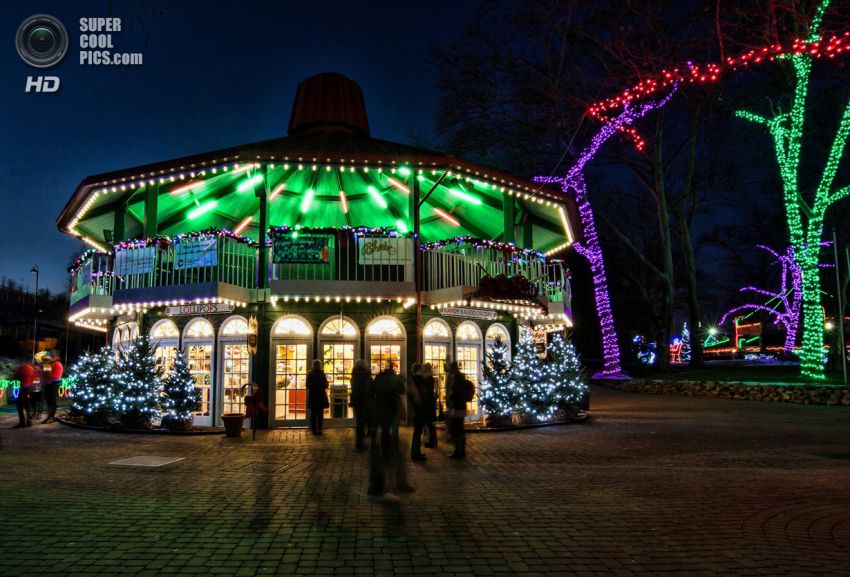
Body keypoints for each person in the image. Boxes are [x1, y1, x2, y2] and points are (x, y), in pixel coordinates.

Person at [368, 362, 410, 502]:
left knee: (384, 429)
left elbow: (373, 395)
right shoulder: (394, 382)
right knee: (392, 429)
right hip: (391, 411)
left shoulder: (378, 381)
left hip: (381, 410)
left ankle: (384, 444)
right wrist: (402, 410)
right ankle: (391, 445)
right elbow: (397, 397)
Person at [446, 361, 474, 458]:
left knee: (456, 429)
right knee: (460, 429)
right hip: (462, 407)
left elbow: (454, 394)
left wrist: (449, 397)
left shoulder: (456, 381)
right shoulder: (463, 380)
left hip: (457, 407)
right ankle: (462, 450)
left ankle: (458, 450)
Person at [349, 359, 371, 452]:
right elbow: (368, 389)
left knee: (360, 422)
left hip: (357, 401)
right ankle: (361, 443)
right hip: (364, 401)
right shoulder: (365, 376)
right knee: (363, 422)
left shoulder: (354, 375)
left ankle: (359, 443)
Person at [306, 360, 329, 435]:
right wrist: (322, 385)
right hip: (320, 395)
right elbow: (326, 385)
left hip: (313, 395)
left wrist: (314, 386)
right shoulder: (322, 374)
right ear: (320, 365)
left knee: (313, 413)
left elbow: (308, 385)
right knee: (320, 413)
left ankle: (314, 429)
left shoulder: (309, 374)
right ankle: (319, 429)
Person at [12, 359, 36, 428]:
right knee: (28, 404)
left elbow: (16, 378)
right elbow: (34, 378)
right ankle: (29, 421)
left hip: (23, 387)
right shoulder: (32, 369)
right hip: (31, 388)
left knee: (19, 404)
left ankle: (22, 422)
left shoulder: (21, 368)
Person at [40, 352, 63, 424]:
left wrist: (45, 373)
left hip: (51, 383)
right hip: (52, 383)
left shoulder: (55, 364)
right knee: (51, 400)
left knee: (50, 401)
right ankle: (50, 416)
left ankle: (51, 417)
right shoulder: (56, 364)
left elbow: (49, 375)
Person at [421, 363, 438, 448]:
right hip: (430, 402)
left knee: (429, 423)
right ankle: (432, 440)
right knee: (430, 423)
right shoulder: (430, 378)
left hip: (428, 403)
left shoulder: (428, 378)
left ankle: (432, 441)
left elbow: (427, 391)